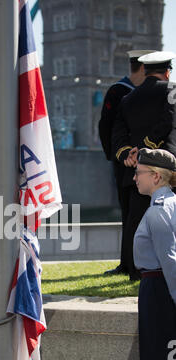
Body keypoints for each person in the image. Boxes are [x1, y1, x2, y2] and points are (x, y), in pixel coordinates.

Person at [112, 51, 176, 280]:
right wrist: (149, 147)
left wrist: (128, 154)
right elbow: (169, 120)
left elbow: (117, 134)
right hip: (167, 165)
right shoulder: (172, 89)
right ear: (167, 71)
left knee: (135, 220)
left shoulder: (128, 98)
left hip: (137, 168)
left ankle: (135, 270)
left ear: (146, 71)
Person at [133, 148, 176, 360]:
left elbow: (170, 261)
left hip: (159, 292)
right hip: (162, 290)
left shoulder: (159, 209)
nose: (134, 177)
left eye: (140, 172)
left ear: (157, 176)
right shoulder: (170, 204)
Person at [99, 50, 155, 276]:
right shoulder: (119, 92)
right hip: (126, 163)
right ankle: (128, 262)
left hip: (140, 162)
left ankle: (135, 262)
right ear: (143, 68)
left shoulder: (139, 93)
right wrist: (116, 158)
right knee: (129, 215)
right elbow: (107, 127)